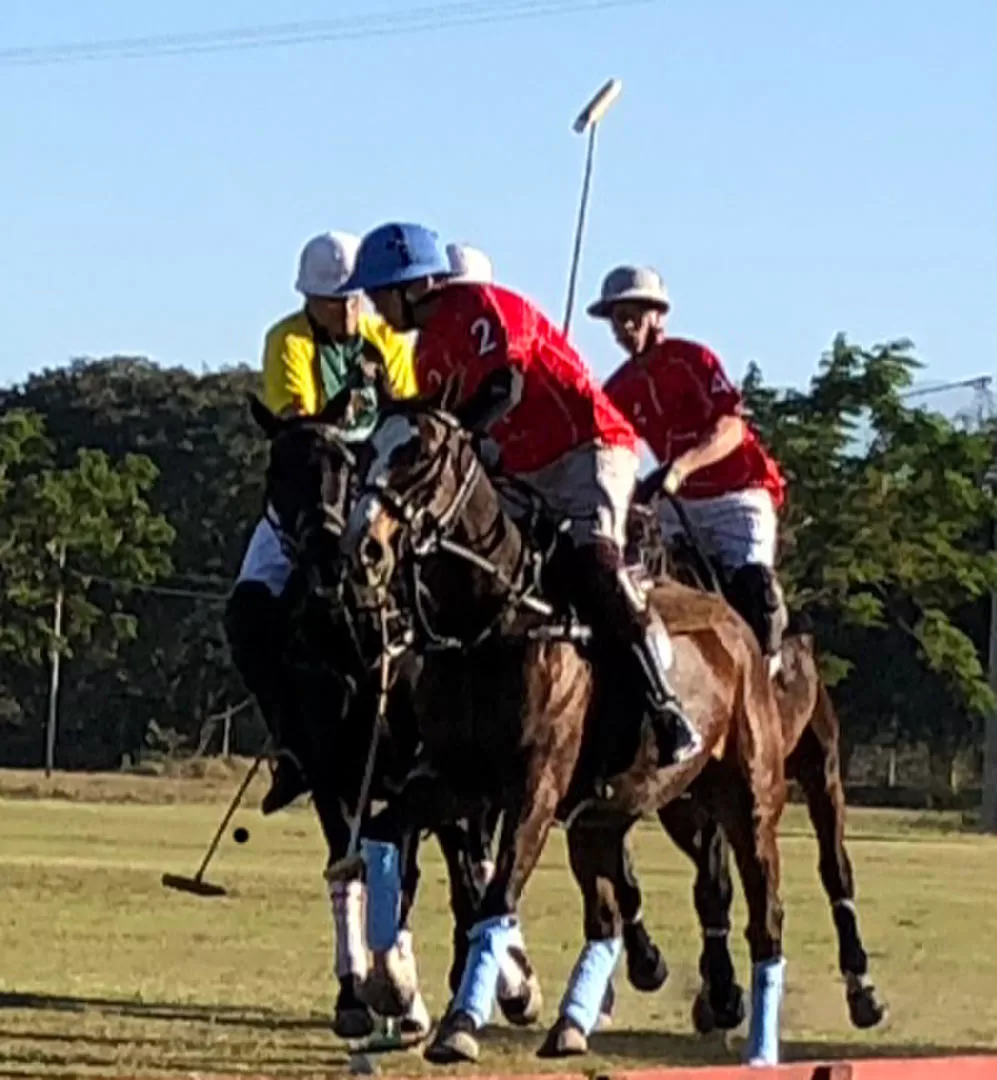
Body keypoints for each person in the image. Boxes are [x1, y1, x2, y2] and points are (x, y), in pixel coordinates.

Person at [343, 222, 702, 768]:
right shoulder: (424, 355)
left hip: (590, 447)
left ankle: (665, 705)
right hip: (523, 467)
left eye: (376, 294)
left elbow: (502, 389)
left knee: (595, 560)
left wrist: (457, 439)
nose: (373, 307)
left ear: (409, 285)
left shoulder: (480, 306)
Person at [226, 231, 418, 815]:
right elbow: (304, 427)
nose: (348, 310)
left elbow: (410, 415)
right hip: (312, 492)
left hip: (379, 491)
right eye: (334, 300)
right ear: (310, 299)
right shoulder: (287, 340)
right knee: (248, 611)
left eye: (355, 298)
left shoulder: (387, 338)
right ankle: (292, 746)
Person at [589, 265, 787, 660]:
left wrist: (680, 469)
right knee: (637, 584)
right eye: (616, 318)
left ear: (657, 316)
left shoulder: (692, 359)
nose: (623, 327)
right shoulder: (619, 386)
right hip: (680, 510)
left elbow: (731, 428)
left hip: (738, 499)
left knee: (755, 594)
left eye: (632, 316)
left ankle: (769, 678)